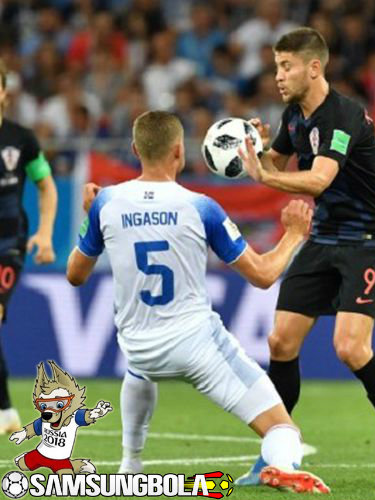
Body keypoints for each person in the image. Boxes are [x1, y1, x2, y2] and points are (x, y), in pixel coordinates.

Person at [70, 110, 329, 494]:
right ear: (179, 151)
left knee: (139, 371)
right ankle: (281, 466)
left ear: (135, 150)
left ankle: (130, 464)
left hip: (139, 345)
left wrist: (89, 218)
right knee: (282, 428)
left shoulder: (106, 202)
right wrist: (293, 235)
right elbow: (262, 275)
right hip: (197, 346)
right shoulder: (201, 206)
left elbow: (75, 275)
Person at [235, 27, 375, 488]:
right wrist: (257, 149)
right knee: (281, 342)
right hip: (324, 237)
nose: (278, 76)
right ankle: (275, 455)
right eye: (276, 66)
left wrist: (265, 176)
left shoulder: (342, 115)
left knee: (350, 348)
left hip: (369, 239)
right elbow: (274, 163)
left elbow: (319, 180)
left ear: (314, 67)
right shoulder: (294, 116)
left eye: (286, 66)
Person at [0, 59, 58, 434]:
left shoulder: (21, 139)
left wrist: (46, 233)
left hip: (8, 245)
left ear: (4, 92)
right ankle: (5, 413)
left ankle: (5, 412)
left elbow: (46, 186)